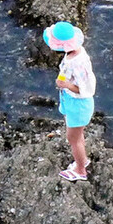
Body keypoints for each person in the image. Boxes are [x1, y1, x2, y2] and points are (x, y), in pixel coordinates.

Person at [43, 20, 96, 181]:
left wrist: (65, 84)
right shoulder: (74, 52)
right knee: (78, 136)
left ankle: (80, 171)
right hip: (70, 101)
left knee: (73, 139)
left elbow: (85, 89)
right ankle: (83, 160)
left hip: (78, 105)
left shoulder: (78, 63)